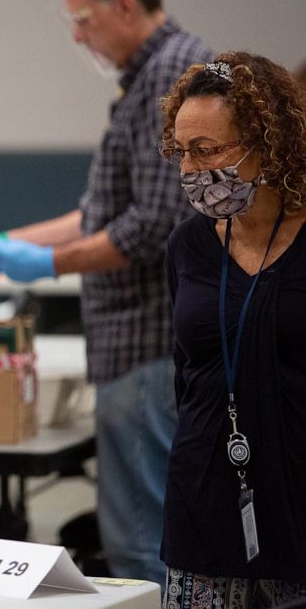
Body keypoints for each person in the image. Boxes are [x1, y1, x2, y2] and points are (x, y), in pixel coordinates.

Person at [0, 0, 214, 586]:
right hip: (133, 346)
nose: (77, 33)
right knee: (139, 533)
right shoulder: (149, 76)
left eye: (81, 18)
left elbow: (154, 223)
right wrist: (8, 241)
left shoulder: (169, 76)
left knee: (143, 545)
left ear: (124, 5)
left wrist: (46, 261)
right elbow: (101, 211)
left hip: (147, 341)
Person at [161, 53, 306, 607]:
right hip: (203, 506)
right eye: (181, 153)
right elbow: (186, 376)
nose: (193, 170)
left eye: (208, 150)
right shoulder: (188, 247)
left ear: (267, 143)